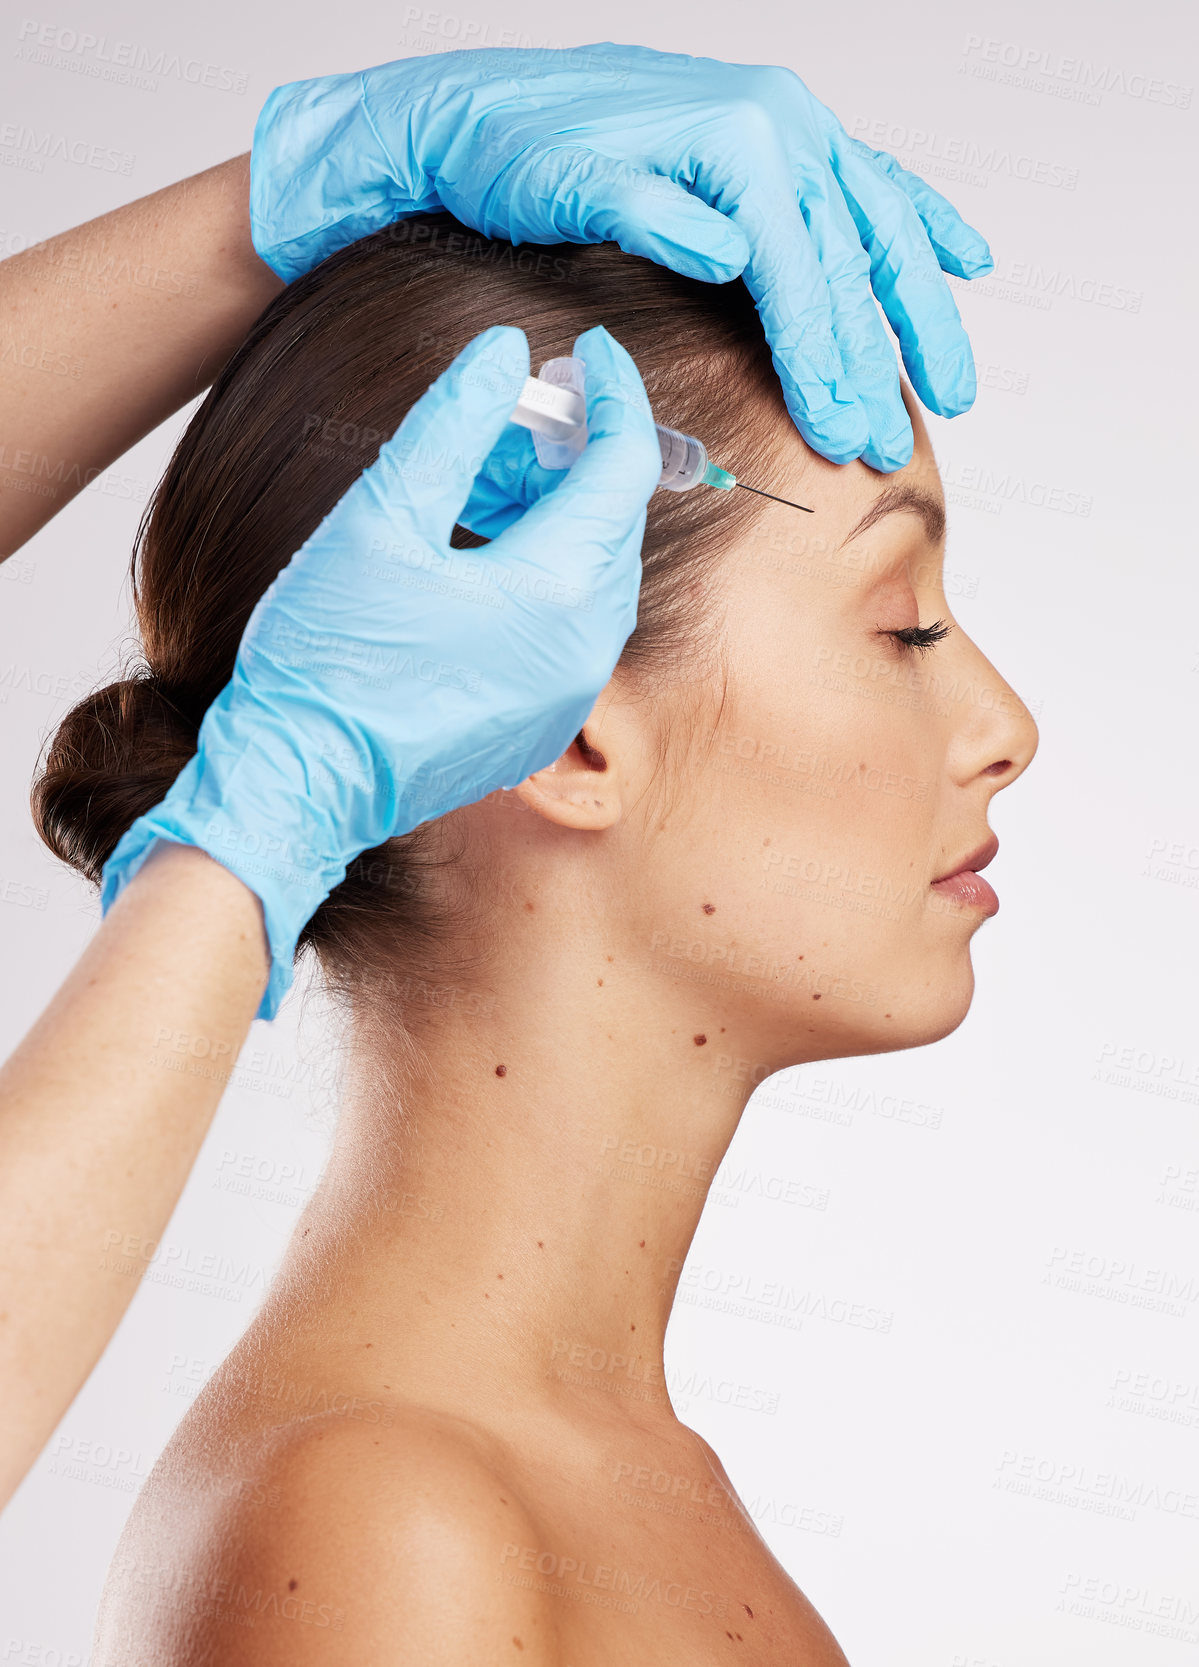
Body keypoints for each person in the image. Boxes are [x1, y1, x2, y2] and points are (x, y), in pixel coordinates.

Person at [0, 43, 996, 1510]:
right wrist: (260, 817)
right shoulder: (394, 1525)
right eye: (904, 625)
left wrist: (262, 208)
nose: (1011, 726)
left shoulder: (593, 1485)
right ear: (575, 731)